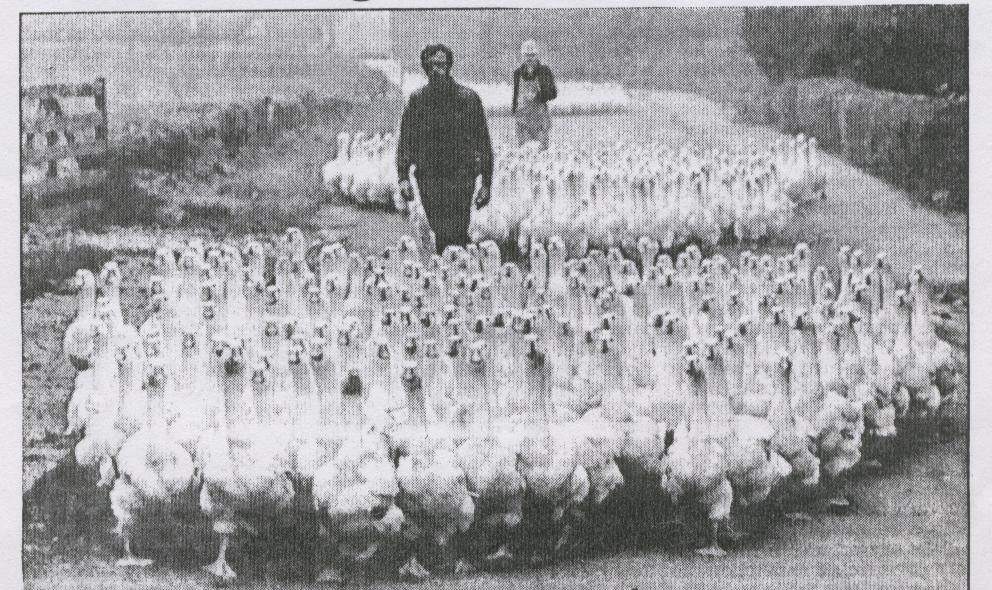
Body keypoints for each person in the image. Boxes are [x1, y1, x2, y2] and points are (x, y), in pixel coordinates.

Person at [397, 44, 494, 254]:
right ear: (425, 68)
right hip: (429, 177)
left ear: (449, 66)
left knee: (457, 230)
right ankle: (454, 271)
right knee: (439, 230)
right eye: (431, 65)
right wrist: (403, 177)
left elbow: (483, 142)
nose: (436, 70)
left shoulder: (468, 100)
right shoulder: (417, 101)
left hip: (461, 176)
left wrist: (486, 182)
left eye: (441, 65)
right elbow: (406, 140)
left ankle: (459, 272)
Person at [511, 39, 557, 150]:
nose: (529, 58)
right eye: (527, 55)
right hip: (523, 120)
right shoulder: (518, 73)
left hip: (540, 120)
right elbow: (516, 95)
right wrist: (514, 111)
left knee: (542, 153)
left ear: (536, 55)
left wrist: (538, 97)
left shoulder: (544, 71)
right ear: (523, 56)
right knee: (524, 153)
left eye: (532, 55)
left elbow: (553, 93)